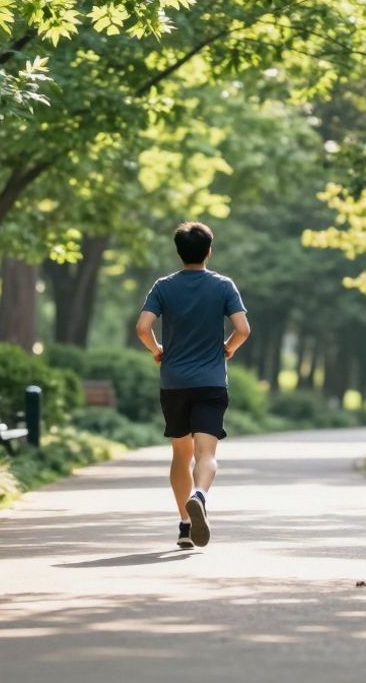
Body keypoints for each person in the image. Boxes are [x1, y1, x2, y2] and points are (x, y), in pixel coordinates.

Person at [135, 222, 250, 549]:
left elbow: (143, 326)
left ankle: (185, 525)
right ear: (208, 250)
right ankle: (199, 495)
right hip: (211, 381)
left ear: (178, 251)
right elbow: (243, 328)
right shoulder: (223, 286)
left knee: (180, 453)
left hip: (174, 383)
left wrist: (156, 349)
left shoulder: (164, 286)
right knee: (206, 453)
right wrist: (229, 347)